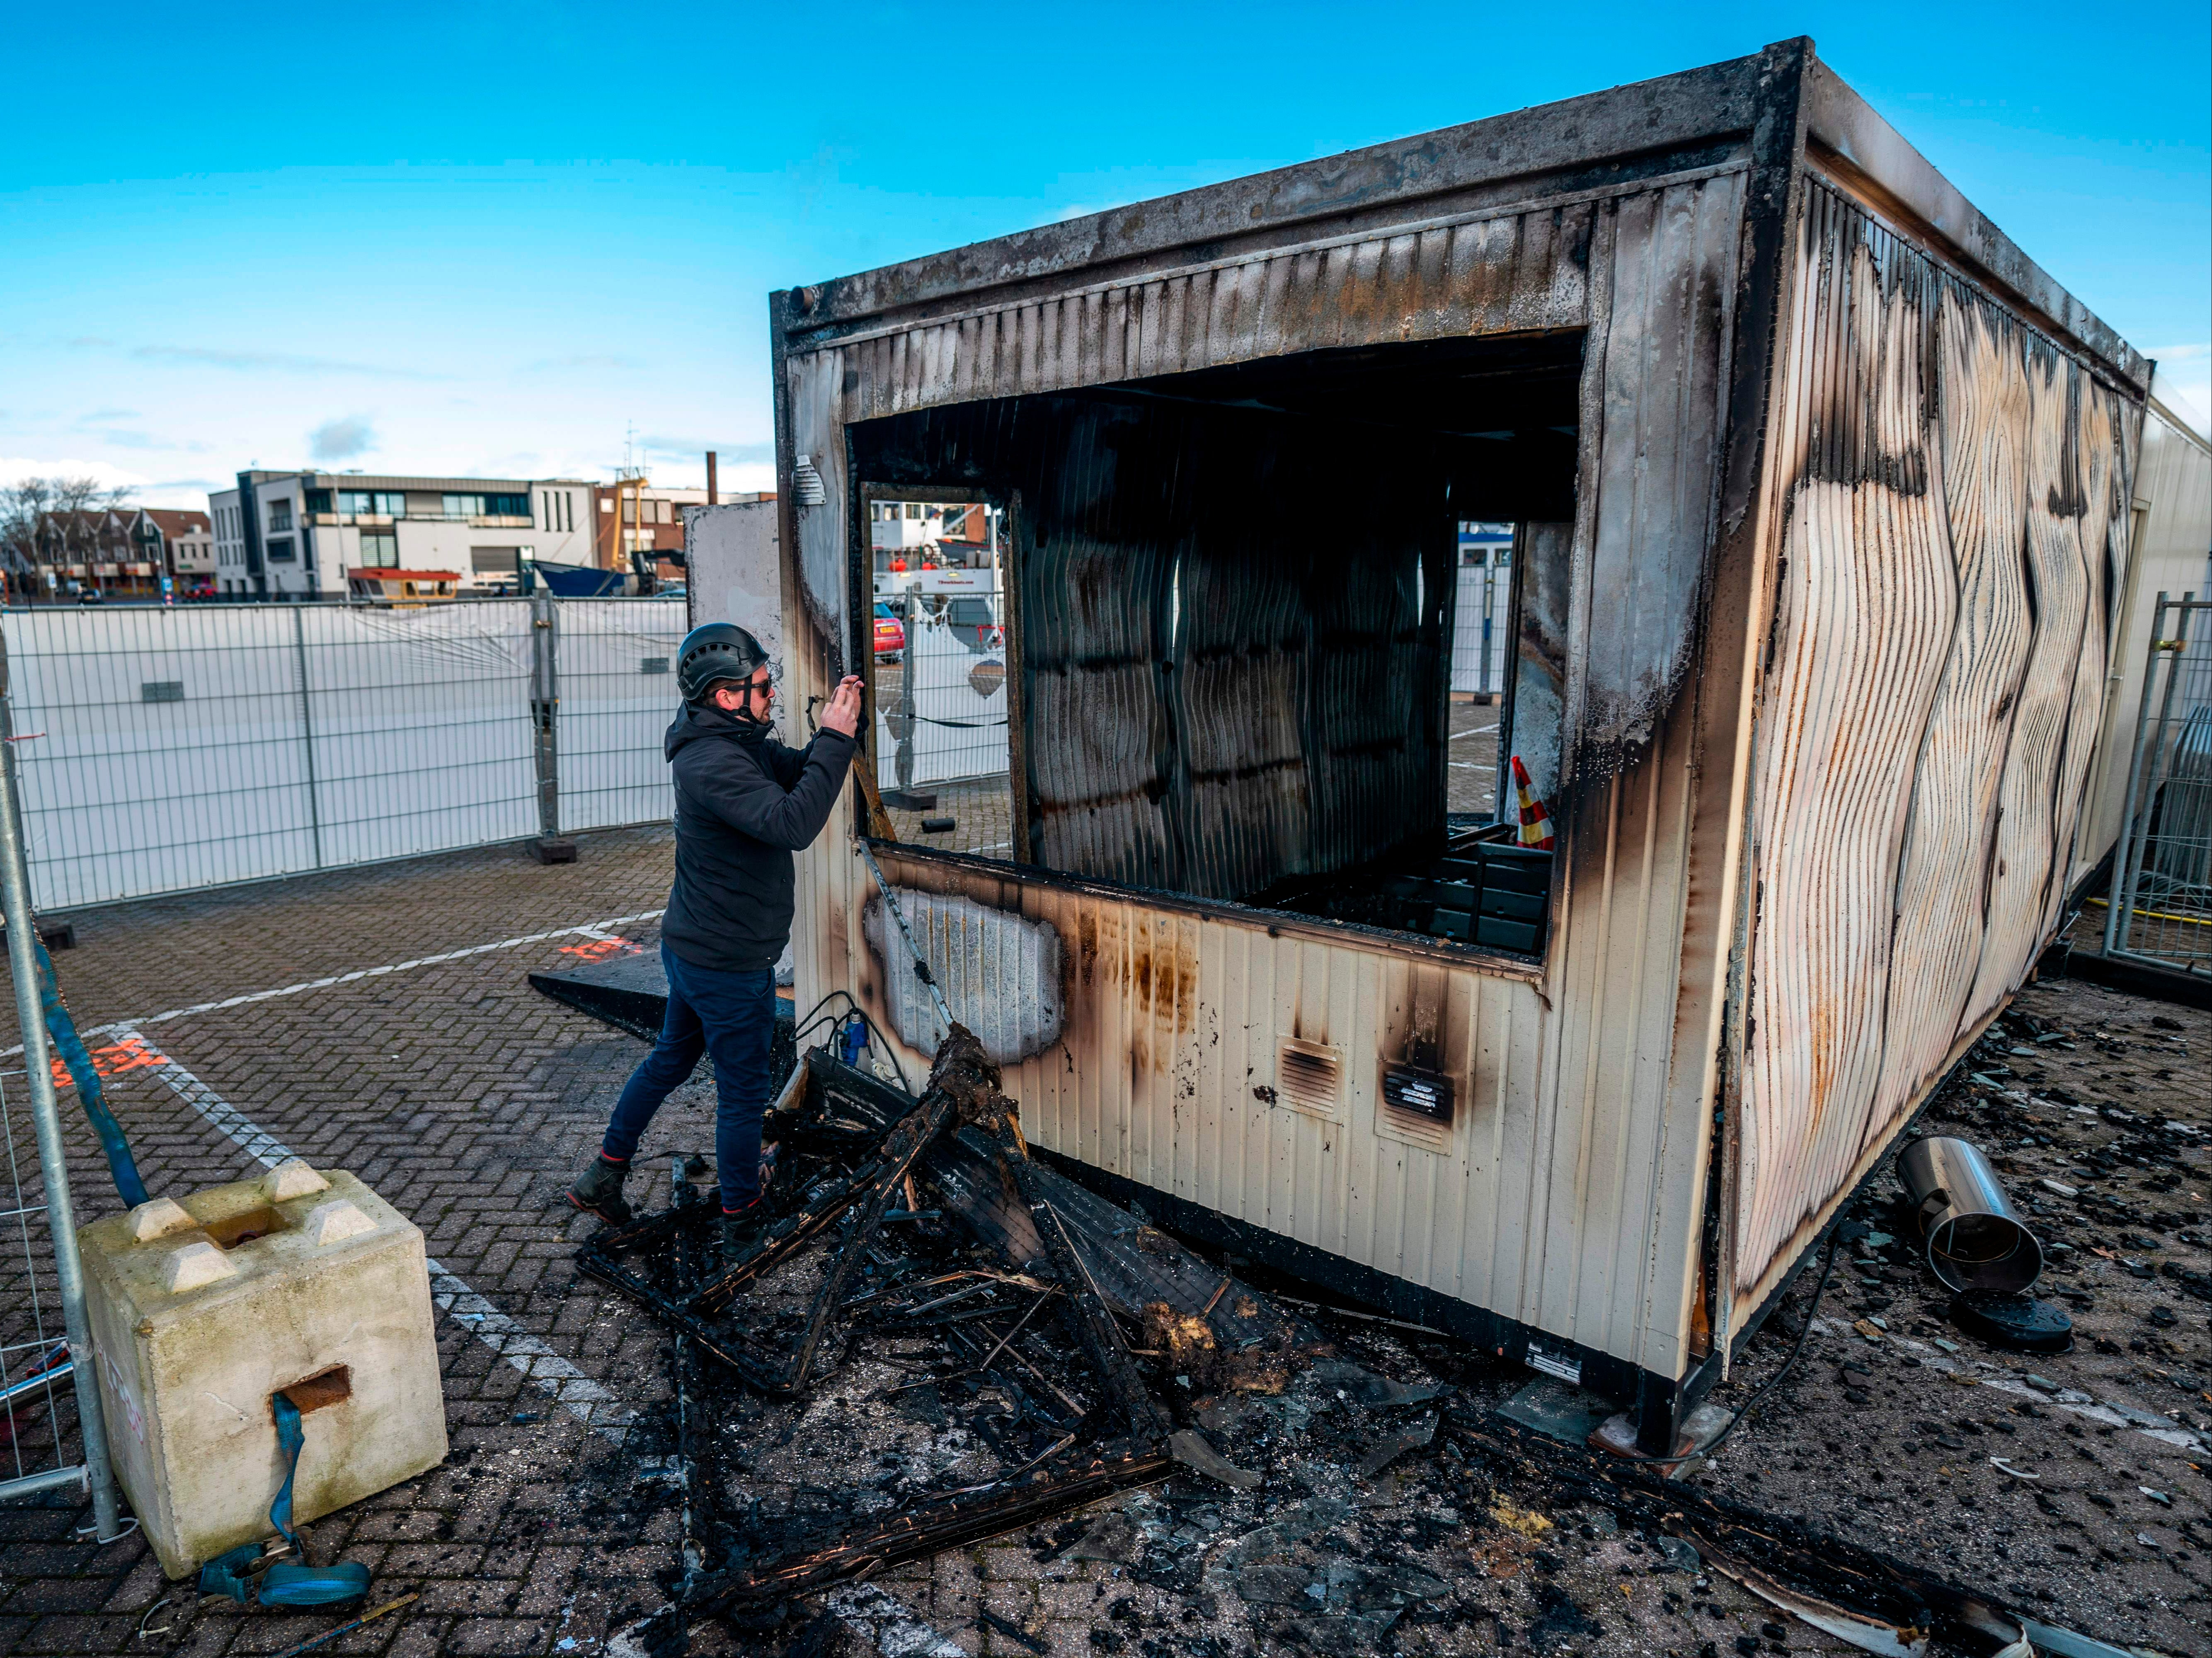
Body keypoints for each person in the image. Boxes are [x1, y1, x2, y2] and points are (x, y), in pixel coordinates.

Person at [567, 623, 864, 1260]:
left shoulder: (732, 739)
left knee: (670, 1062)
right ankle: (743, 1224)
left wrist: (833, 736)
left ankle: (603, 1176)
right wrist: (835, 740)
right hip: (726, 962)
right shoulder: (712, 762)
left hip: (699, 949)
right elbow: (793, 822)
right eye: (762, 685)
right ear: (727, 695)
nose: (771, 694)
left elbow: (793, 772)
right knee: (742, 1096)